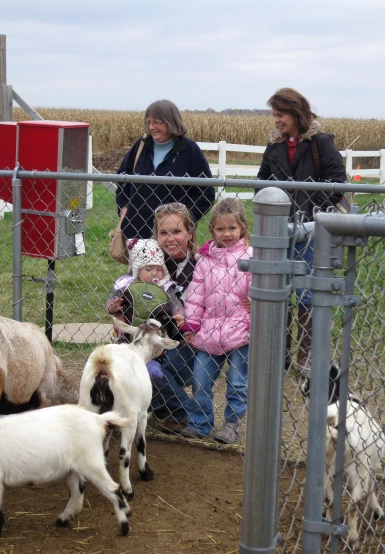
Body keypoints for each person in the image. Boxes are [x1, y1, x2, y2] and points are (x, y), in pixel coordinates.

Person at [256, 87, 347, 372]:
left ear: (296, 113)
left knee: (306, 292)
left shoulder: (320, 143)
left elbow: (336, 181)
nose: (276, 121)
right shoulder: (274, 146)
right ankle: (279, 355)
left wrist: (312, 211)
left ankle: (306, 358)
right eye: (274, 115)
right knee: (278, 289)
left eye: (280, 114)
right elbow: (262, 179)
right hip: (280, 229)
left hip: (310, 230)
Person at [176, 199, 253, 444]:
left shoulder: (252, 257)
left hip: (243, 328)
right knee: (200, 378)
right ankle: (200, 423)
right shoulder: (205, 260)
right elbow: (196, 298)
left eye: (232, 228)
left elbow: (259, 289)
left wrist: (255, 306)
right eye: (220, 229)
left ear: (243, 227)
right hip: (210, 329)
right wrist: (191, 326)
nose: (227, 233)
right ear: (212, 231)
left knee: (237, 381)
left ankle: (232, 424)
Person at [115, 99, 215, 240]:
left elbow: (206, 193)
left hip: (173, 238)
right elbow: (122, 180)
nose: (151, 127)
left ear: (171, 122)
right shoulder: (141, 146)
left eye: (156, 122)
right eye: (148, 122)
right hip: (137, 234)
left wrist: (185, 220)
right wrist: (124, 208)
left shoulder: (189, 150)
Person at [148, 202, 199, 434]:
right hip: (155, 338)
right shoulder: (149, 266)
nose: (170, 238)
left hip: (188, 343)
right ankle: (161, 403)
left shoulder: (202, 265)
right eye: (163, 233)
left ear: (190, 233)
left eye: (177, 231)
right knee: (145, 366)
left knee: (158, 371)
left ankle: (182, 411)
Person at [106, 238, 183, 380]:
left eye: (158, 269)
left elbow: (175, 304)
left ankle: (153, 365)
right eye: (149, 269)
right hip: (129, 332)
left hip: (153, 334)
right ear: (137, 269)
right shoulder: (127, 286)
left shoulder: (165, 287)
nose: (155, 274)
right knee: (122, 350)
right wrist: (113, 307)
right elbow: (111, 300)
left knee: (155, 350)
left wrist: (179, 314)